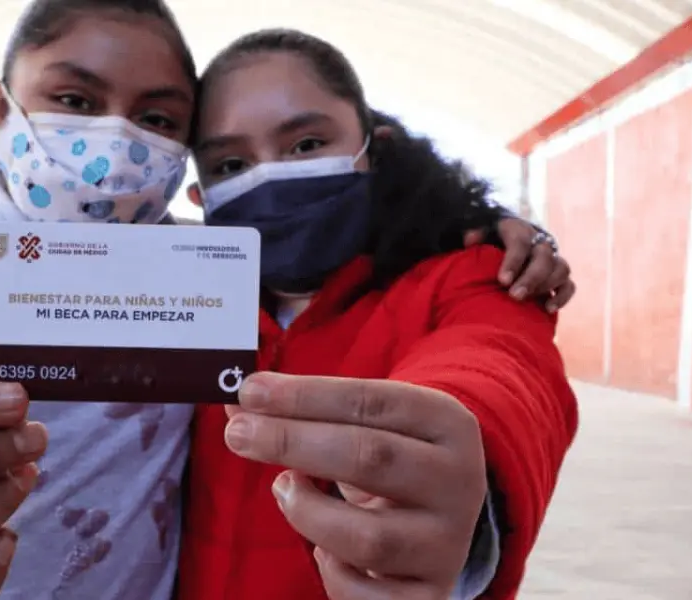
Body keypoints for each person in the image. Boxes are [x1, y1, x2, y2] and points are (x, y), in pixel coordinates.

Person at [0, 1, 576, 598]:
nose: (112, 142)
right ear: (1, 106)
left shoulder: (204, 276)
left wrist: (453, 472)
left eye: (157, 120)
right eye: (74, 98)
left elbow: (494, 365)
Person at [171, 28, 579, 600]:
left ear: (375, 151)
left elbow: (499, 365)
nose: (269, 175)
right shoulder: (177, 301)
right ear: (201, 197)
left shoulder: (470, 277)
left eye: (307, 145)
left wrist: (453, 465)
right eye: (231, 162)